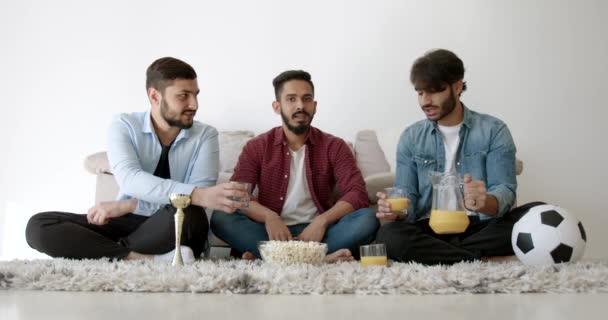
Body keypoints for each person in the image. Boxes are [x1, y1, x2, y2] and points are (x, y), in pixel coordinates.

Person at [26, 57, 248, 262]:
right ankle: (141, 259)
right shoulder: (124, 126)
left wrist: (129, 204)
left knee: (190, 211)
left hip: (171, 224)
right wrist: (133, 207)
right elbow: (131, 180)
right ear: (154, 96)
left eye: (196, 94)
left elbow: (200, 195)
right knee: (39, 225)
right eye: (183, 96)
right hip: (127, 223)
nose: (194, 104)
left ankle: (103, 251)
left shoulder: (205, 135)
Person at [375, 49, 544, 265]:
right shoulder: (411, 137)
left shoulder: (494, 130)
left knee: (536, 212)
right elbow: (408, 198)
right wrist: (394, 212)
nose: (426, 101)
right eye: (420, 93)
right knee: (389, 236)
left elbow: (505, 190)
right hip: (430, 227)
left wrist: (485, 202)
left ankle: (443, 256)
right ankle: (480, 260)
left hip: (478, 225)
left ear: (457, 87)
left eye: (435, 91)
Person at [211, 70, 379, 262]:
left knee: (367, 219)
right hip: (272, 234)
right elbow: (238, 195)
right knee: (221, 218)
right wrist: (269, 217)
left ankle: (271, 259)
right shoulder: (257, 147)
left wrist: (321, 221)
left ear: (314, 106)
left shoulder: (335, 146)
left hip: (320, 234)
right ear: (277, 106)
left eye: (306, 99)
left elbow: (357, 193)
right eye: (291, 99)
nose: (300, 106)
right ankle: (320, 259)